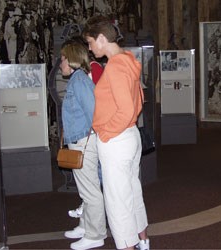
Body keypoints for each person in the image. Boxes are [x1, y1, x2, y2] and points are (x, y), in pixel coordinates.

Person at [83, 15, 150, 250]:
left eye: (91, 42)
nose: (90, 48)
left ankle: (129, 246)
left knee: (117, 202)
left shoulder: (115, 66)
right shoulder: (128, 60)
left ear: (102, 38)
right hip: (129, 135)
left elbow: (128, 108)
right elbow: (140, 100)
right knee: (131, 192)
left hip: (117, 140)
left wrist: (106, 132)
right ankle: (142, 241)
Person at [59, 39, 107, 250]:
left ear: (71, 60)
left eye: (62, 58)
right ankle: (85, 226)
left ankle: (96, 234)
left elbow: (93, 112)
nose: (60, 63)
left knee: (90, 191)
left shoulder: (79, 81)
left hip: (83, 143)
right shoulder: (78, 79)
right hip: (80, 141)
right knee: (86, 189)